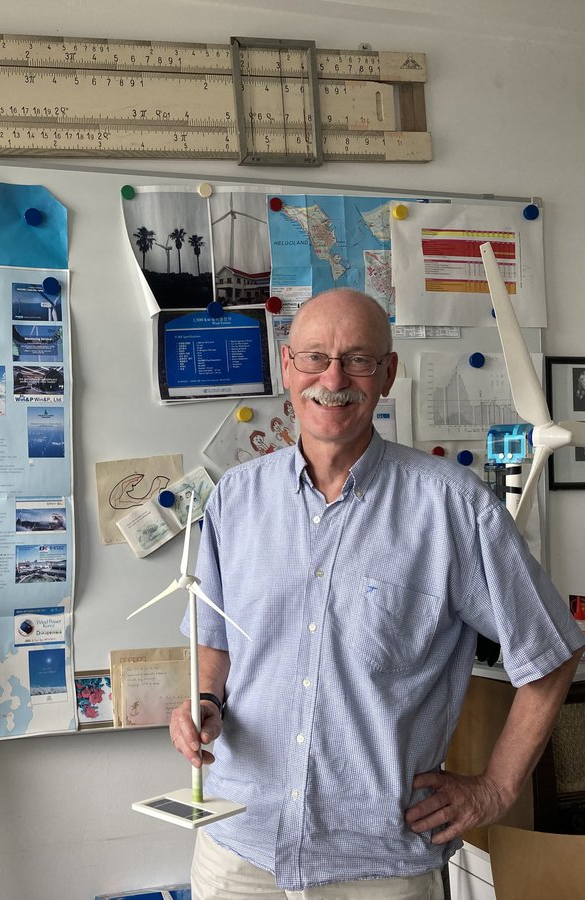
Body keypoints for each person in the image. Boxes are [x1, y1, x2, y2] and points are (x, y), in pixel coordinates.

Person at [169, 288, 585, 899]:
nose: (332, 378)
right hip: (238, 844)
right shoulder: (234, 498)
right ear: (287, 367)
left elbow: (551, 651)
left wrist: (496, 787)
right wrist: (204, 700)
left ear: (387, 374)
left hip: (379, 865)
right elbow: (215, 638)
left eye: (357, 359)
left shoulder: (450, 505)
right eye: (314, 357)